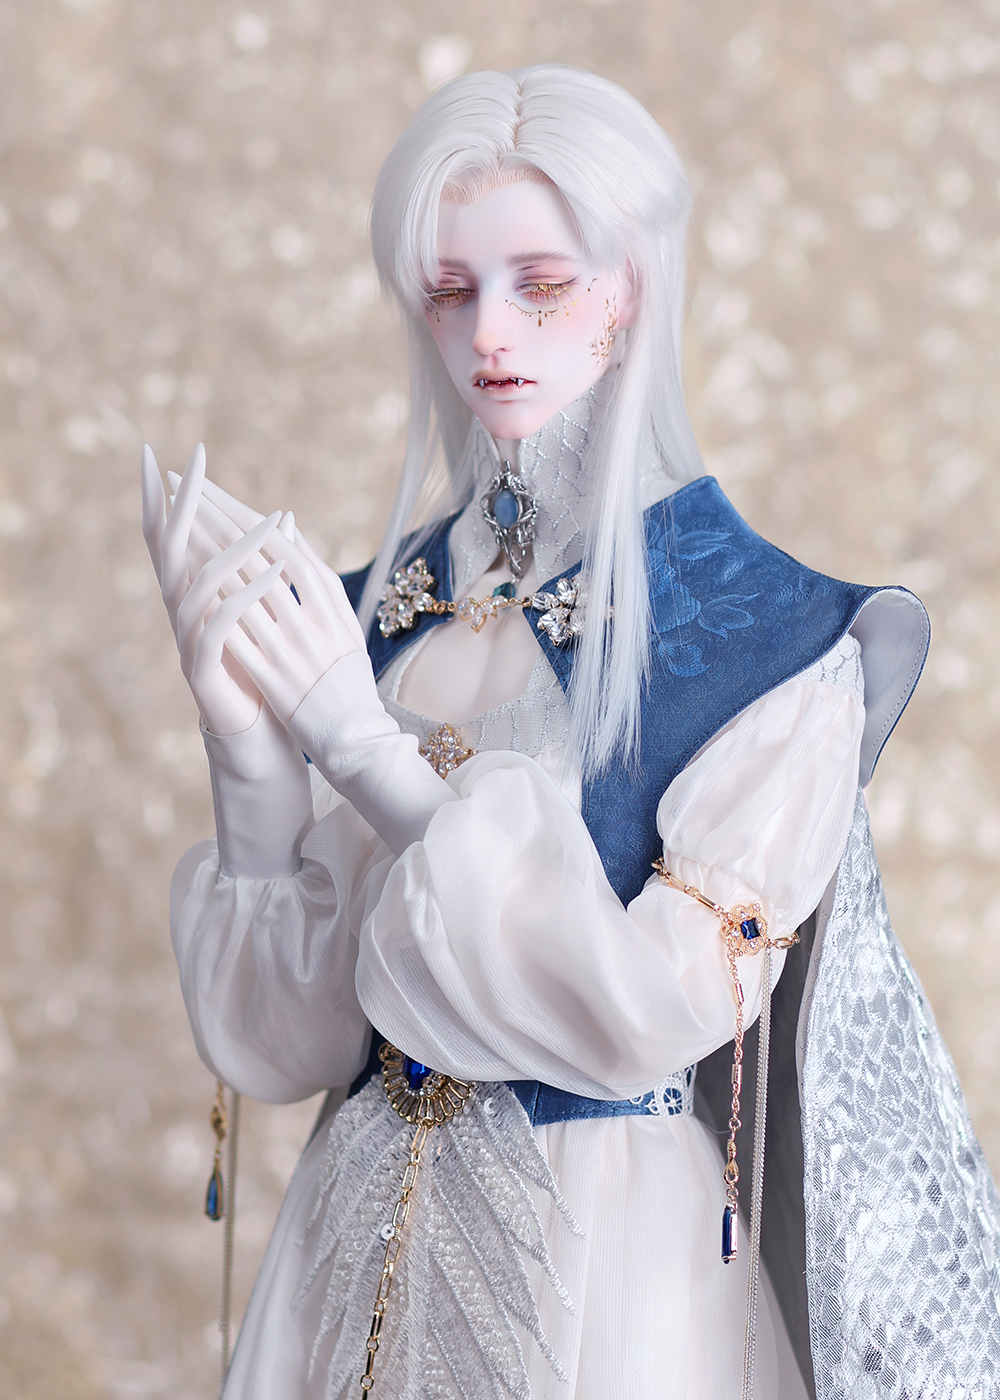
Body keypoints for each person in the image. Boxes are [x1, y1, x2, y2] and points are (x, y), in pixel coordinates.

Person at [142, 65, 1000, 1400]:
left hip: (604, 1258)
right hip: (356, 1249)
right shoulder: (383, 609)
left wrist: (360, 747)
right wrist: (248, 748)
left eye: (542, 284)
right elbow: (295, 1045)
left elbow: (654, 1006)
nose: (491, 330)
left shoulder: (766, 640)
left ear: (631, 285)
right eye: (449, 290)